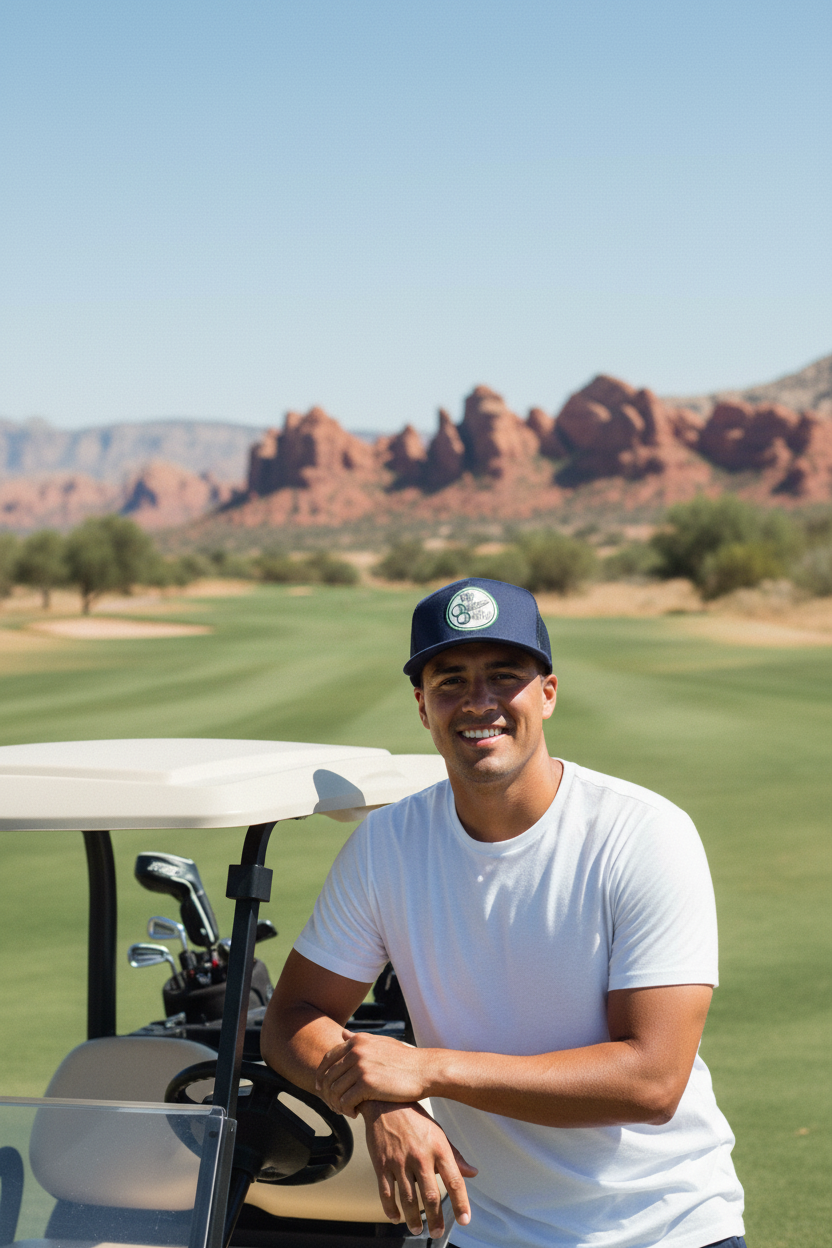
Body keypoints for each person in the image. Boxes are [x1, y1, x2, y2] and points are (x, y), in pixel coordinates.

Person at [261, 577, 746, 1248]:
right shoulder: (385, 847)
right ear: (421, 706)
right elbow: (292, 1017)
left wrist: (426, 1071)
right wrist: (378, 1099)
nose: (477, 702)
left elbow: (651, 1080)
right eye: (450, 680)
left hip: (663, 1227)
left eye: (504, 676)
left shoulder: (643, 834)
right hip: (481, 1231)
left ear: (547, 693)